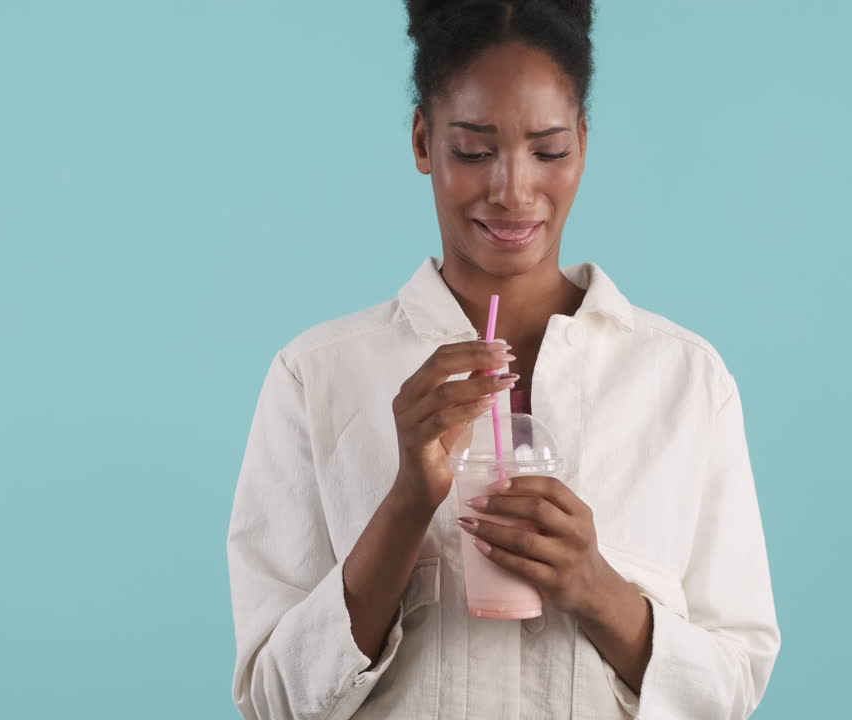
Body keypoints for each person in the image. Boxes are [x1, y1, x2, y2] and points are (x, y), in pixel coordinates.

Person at [226, 1, 781, 717]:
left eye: (548, 151)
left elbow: (731, 690)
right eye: (473, 151)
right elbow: (274, 698)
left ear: (583, 143)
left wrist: (598, 590)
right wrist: (407, 504)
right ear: (423, 141)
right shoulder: (317, 377)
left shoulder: (685, 381)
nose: (513, 192)